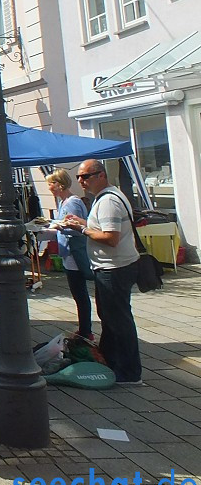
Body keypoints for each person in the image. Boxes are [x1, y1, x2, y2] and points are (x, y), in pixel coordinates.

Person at [62, 159, 142, 386]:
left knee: (118, 321)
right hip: (112, 266)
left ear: (101, 176)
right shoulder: (106, 197)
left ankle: (129, 372)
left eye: (85, 176)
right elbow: (105, 229)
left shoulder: (108, 201)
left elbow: (111, 238)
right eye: (79, 176)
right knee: (110, 319)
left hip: (115, 267)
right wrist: (83, 222)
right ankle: (111, 363)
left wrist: (82, 228)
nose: (81, 181)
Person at [46, 169, 92, 341]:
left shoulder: (71, 203)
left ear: (60, 184)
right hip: (69, 253)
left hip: (74, 254)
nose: (49, 187)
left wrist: (57, 227)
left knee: (79, 293)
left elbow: (77, 228)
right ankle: (84, 328)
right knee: (78, 293)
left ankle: (86, 330)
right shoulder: (64, 202)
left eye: (51, 184)